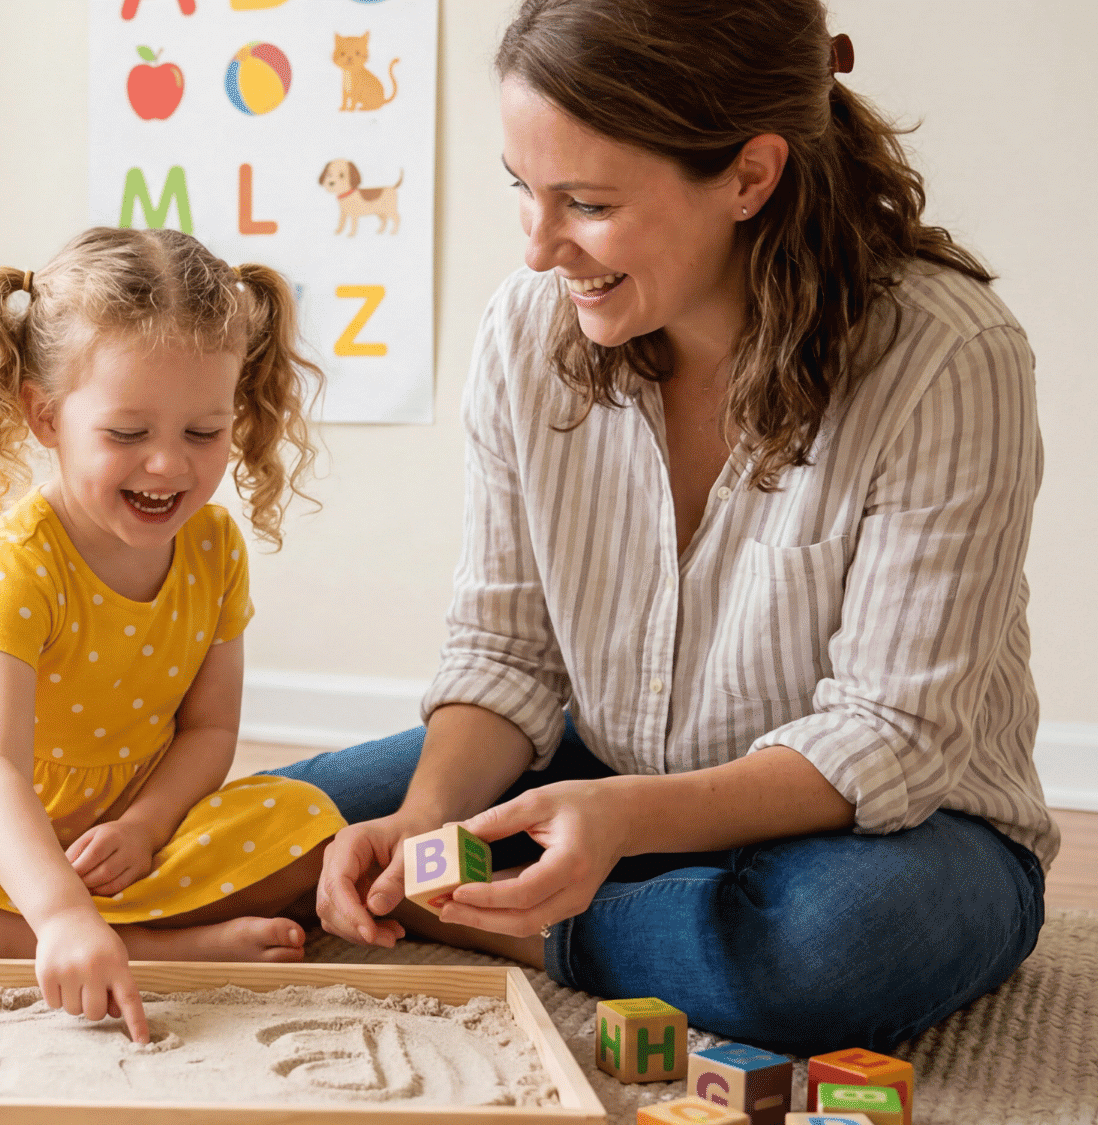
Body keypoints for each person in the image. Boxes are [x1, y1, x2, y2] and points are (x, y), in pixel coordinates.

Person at [267, 0, 1056, 1057]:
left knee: (832, 946)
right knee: (266, 829)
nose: (542, 246)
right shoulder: (526, 329)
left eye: (585, 203)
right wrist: (423, 828)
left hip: (897, 826)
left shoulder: (945, 357)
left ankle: (524, 922)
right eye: (521, 189)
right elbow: (506, 652)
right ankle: (614, 910)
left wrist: (624, 824)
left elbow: (890, 736)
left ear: (746, 175)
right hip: (593, 761)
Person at [0, 227, 345, 1043]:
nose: (169, 467)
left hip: (123, 838)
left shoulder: (216, 548)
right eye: (127, 434)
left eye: (203, 432)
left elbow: (211, 729)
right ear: (46, 416)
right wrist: (58, 911)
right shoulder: (17, 565)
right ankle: (143, 947)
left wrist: (147, 826)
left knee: (307, 820)